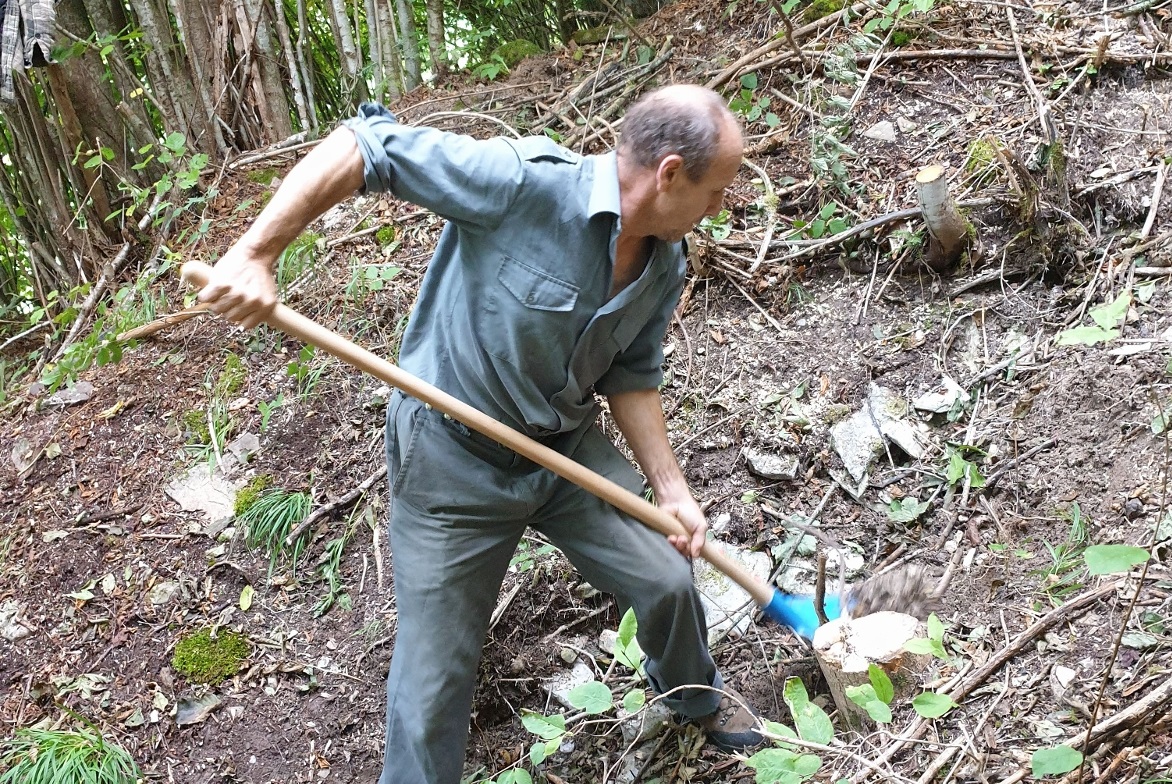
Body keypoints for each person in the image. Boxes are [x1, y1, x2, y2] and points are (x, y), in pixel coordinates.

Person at [198, 83, 762, 784]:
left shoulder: (664, 261)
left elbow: (631, 377)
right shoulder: (521, 185)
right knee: (434, 688)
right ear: (670, 173)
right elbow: (364, 146)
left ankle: (693, 697)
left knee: (669, 580)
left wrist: (672, 490)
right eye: (716, 192)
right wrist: (257, 253)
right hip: (450, 464)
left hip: (561, 454)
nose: (720, 209)